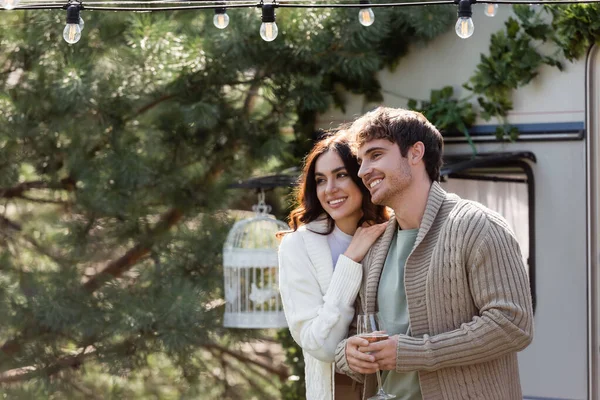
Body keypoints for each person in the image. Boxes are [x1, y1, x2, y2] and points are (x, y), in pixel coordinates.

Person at [334, 107, 534, 400]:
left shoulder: (477, 225)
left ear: (415, 153)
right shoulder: (374, 246)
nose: (363, 171)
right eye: (361, 160)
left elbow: (512, 325)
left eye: (375, 155)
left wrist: (416, 353)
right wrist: (346, 354)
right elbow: (355, 330)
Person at [278, 132, 389, 400]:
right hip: (339, 391)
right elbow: (321, 345)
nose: (330, 189)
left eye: (341, 175)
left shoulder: (394, 232)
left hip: (399, 382)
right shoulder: (298, 246)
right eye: (320, 180)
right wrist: (350, 261)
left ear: (361, 176)